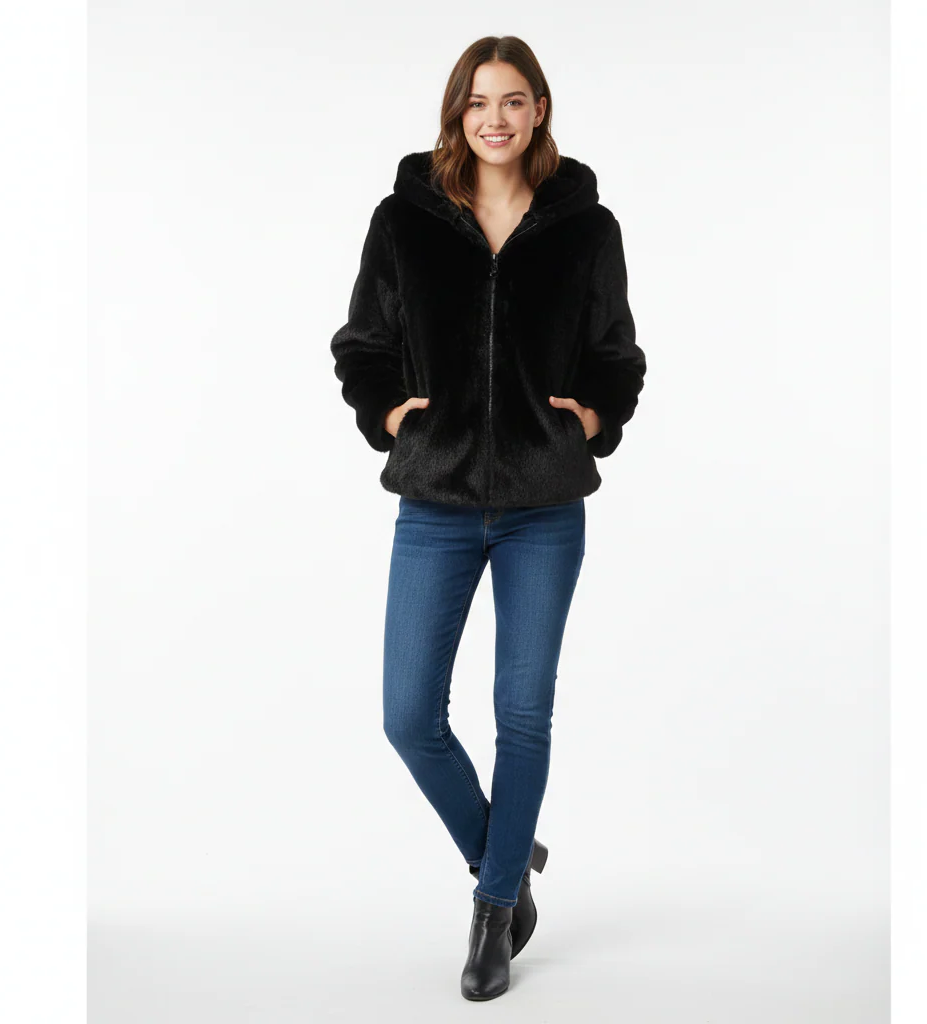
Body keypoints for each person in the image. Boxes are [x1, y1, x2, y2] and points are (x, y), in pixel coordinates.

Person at [330, 35, 646, 1001]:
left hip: (544, 508)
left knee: (522, 712)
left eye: (512, 101)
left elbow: (618, 354)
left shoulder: (586, 228)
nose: (495, 119)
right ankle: (505, 855)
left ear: (539, 109)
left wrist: (593, 418)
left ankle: (494, 909)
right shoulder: (405, 219)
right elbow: (361, 343)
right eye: (478, 102)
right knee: (408, 716)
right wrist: (388, 413)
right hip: (435, 502)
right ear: (456, 112)